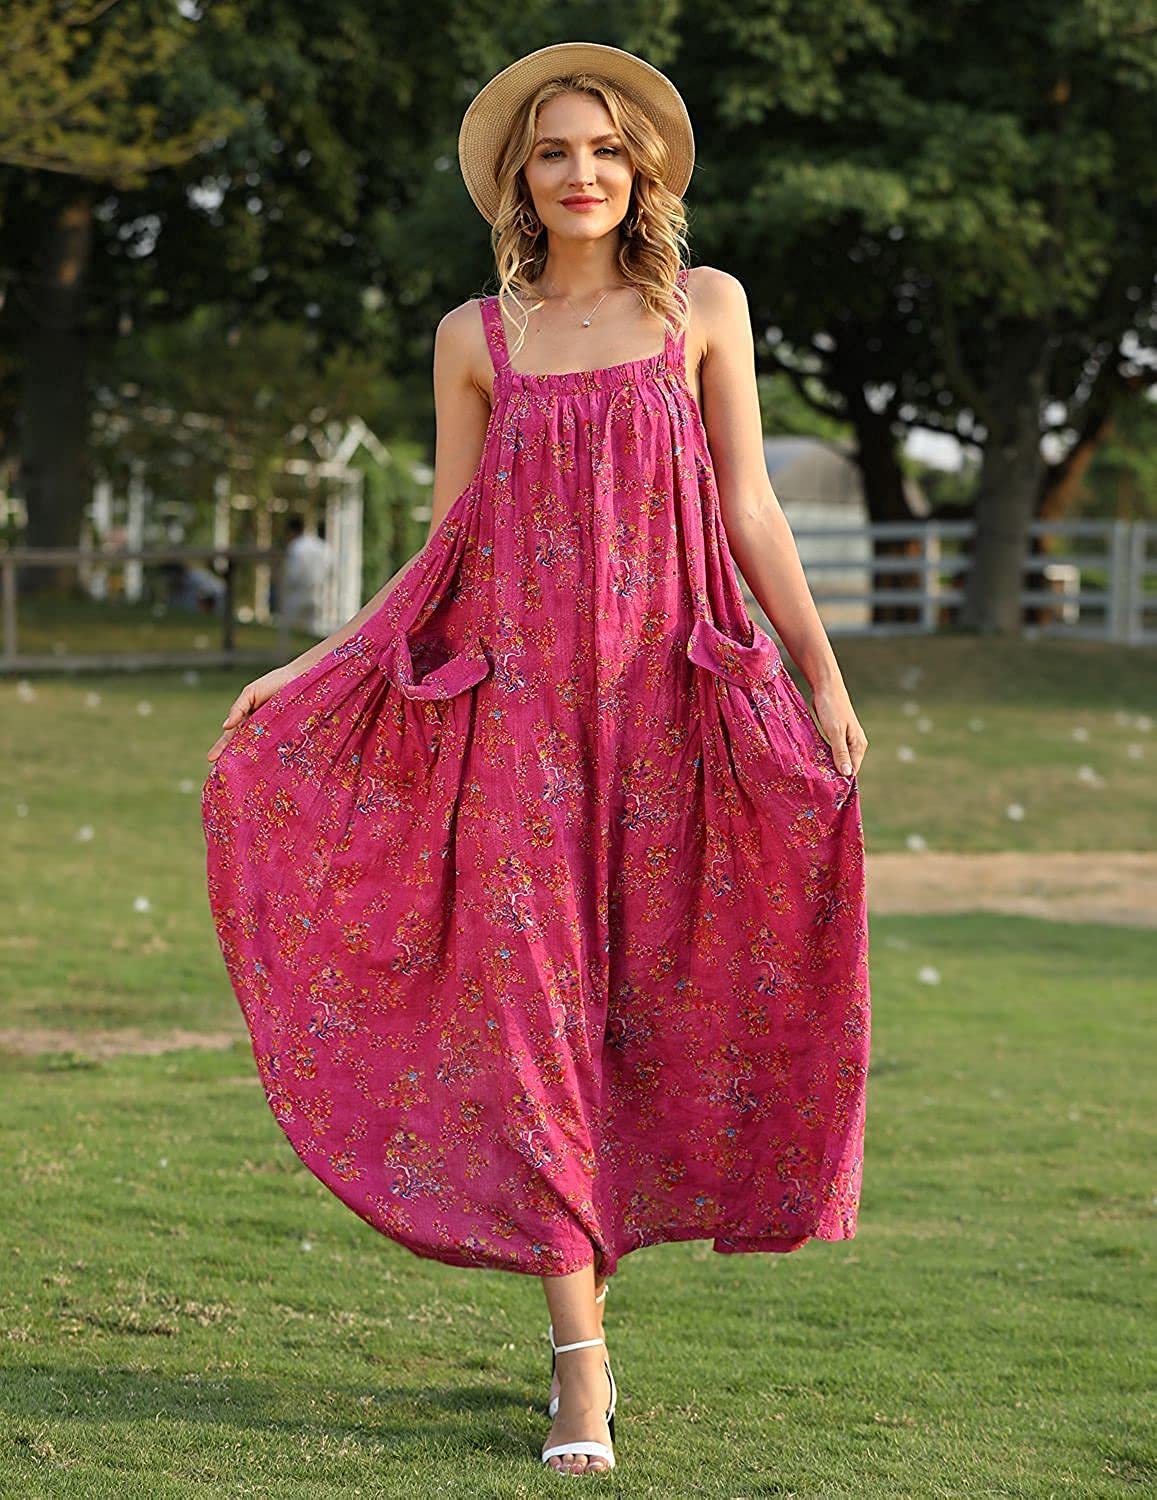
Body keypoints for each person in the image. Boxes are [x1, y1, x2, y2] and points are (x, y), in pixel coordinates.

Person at [202, 40, 871, 1479]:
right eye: (555, 152)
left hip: (672, 714)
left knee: (644, 1011)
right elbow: (442, 545)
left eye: (605, 151)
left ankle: (593, 1303)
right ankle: (579, 1366)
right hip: (517, 727)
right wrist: (314, 666)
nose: (581, 174)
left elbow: (750, 507)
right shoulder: (474, 337)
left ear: (641, 171)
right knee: (532, 1022)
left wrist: (819, 674)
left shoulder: (700, 308)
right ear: (518, 177)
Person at [280, 514, 333, 631]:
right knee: (312, 630)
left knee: (292, 630)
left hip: (297, 594)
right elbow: (330, 566)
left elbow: (293, 573)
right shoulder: (320, 545)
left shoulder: (296, 547)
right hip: (318, 594)